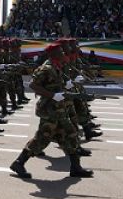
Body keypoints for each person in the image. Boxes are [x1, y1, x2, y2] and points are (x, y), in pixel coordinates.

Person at [10, 43, 93, 178]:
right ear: (53, 54)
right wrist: (52, 95)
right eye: (60, 52)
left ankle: (76, 167)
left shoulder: (57, 67)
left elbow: (57, 85)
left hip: (60, 110)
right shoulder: (46, 68)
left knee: (70, 135)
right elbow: (33, 85)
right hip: (50, 111)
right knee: (41, 139)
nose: (63, 54)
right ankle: (19, 163)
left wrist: (68, 85)